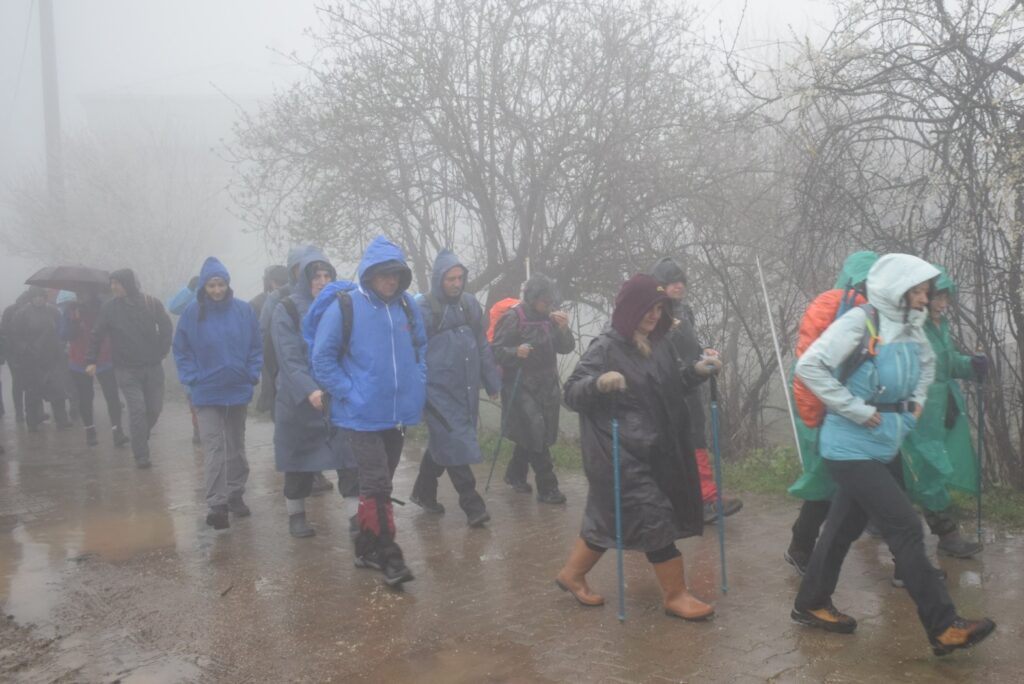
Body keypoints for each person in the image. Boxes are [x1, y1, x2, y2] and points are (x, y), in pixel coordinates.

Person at [792, 253, 995, 656]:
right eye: (917, 291)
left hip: (884, 443)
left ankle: (810, 603)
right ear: (896, 290)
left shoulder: (911, 325)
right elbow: (809, 367)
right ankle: (943, 626)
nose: (924, 299)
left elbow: (927, 366)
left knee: (842, 527)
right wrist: (855, 409)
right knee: (904, 525)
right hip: (848, 447)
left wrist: (914, 406)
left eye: (925, 292)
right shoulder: (859, 322)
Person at [558, 274, 721, 619]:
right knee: (653, 516)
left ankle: (572, 575)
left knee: (611, 518)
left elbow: (671, 385)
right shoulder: (606, 347)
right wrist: (598, 383)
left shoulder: (659, 344)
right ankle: (676, 595)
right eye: (648, 308)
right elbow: (571, 392)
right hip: (619, 451)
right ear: (631, 308)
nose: (654, 315)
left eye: (660, 309)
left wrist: (696, 372)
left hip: (656, 449)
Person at [311, 235, 426, 587]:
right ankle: (389, 555)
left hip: (397, 413)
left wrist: (418, 381)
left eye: (396, 274)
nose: (391, 280)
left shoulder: (408, 306)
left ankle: (365, 547)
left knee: (381, 482)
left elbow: (421, 348)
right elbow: (322, 359)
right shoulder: (345, 307)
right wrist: (351, 392)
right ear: (370, 274)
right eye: (384, 274)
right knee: (377, 483)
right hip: (359, 416)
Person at [784, 251, 878, 573]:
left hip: (854, 409)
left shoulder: (869, 309)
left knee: (847, 481)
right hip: (836, 408)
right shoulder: (836, 307)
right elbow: (809, 366)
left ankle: (804, 546)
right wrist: (816, 417)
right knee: (827, 481)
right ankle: (802, 546)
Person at [898, 266, 985, 559]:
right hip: (919, 409)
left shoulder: (939, 325)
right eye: (936, 297)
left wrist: (971, 365)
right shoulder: (913, 327)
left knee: (922, 468)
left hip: (942, 407)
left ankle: (871, 514)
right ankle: (947, 536)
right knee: (927, 468)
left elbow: (945, 364)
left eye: (945, 297)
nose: (942, 303)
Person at [410, 249, 501, 527]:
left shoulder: (469, 305)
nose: (456, 283)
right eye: (451, 279)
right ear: (439, 279)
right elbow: (411, 352)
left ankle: (423, 493)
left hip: (465, 390)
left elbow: (482, 344)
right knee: (454, 441)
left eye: (460, 278)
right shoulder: (423, 309)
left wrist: (491, 380)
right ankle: (472, 505)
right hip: (436, 392)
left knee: (445, 441)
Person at [270, 248, 356, 537]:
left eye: (326, 275)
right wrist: (310, 390)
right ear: (302, 279)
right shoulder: (287, 309)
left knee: (349, 460)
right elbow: (289, 358)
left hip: (337, 398)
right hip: (299, 401)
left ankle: (357, 519)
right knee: (299, 462)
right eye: (315, 276)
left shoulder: (342, 305)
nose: (322, 281)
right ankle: (296, 515)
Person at [173, 257, 262, 530]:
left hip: (237, 388)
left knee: (235, 444)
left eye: (220, 284)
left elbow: (255, 346)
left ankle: (235, 493)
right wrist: (192, 378)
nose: (216, 290)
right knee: (213, 447)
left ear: (227, 284)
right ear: (204, 286)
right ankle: (217, 504)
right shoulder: (192, 313)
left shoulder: (243, 311)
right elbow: (181, 350)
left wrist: (251, 373)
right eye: (211, 285)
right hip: (206, 391)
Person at [650, 257, 741, 524]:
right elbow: (652, 350)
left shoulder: (684, 311)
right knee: (666, 446)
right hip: (666, 388)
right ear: (660, 286)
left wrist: (704, 352)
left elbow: (689, 346)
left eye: (681, 281)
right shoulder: (653, 313)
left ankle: (706, 499)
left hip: (691, 385)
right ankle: (661, 501)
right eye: (672, 282)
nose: (679, 286)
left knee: (696, 440)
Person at [491, 273, 574, 504]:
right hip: (520, 385)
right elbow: (495, 350)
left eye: (550, 300)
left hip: (547, 385)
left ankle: (515, 474)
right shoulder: (513, 318)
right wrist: (515, 352)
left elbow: (566, 348)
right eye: (544, 300)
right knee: (536, 430)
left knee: (537, 432)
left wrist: (564, 329)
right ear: (532, 297)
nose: (548, 304)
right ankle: (548, 488)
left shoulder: (551, 320)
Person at [86, 269, 173, 469]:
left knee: (154, 409)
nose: (113, 287)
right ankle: (141, 455)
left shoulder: (151, 303)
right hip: (126, 369)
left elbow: (166, 327)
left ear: (129, 284)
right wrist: (91, 360)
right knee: (137, 409)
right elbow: (97, 334)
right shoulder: (109, 308)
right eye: (111, 283)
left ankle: (139, 434)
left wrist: (162, 350)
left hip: (152, 367)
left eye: (117, 283)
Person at [61, 290, 127, 447]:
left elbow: (115, 329)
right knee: (85, 397)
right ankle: (90, 430)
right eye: (80, 294)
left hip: (104, 358)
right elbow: (64, 335)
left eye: (86, 293)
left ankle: (117, 430)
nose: (83, 297)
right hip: (80, 361)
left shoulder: (105, 308)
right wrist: (75, 321)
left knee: (112, 395)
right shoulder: (71, 310)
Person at [11, 287, 71, 432]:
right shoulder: (21, 314)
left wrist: (61, 345)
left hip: (53, 357)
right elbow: (14, 336)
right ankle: (32, 422)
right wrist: (25, 349)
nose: (39, 299)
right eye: (35, 296)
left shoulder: (53, 312)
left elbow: (61, 331)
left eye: (41, 296)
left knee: (58, 390)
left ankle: (62, 420)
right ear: (31, 298)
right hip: (32, 360)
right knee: (32, 392)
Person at [0, 290, 34, 423]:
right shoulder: (11, 311)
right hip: (13, 353)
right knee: (18, 382)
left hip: (27, 352)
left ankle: (29, 411)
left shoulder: (30, 311)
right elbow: (4, 333)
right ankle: (20, 412)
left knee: (29, 381)